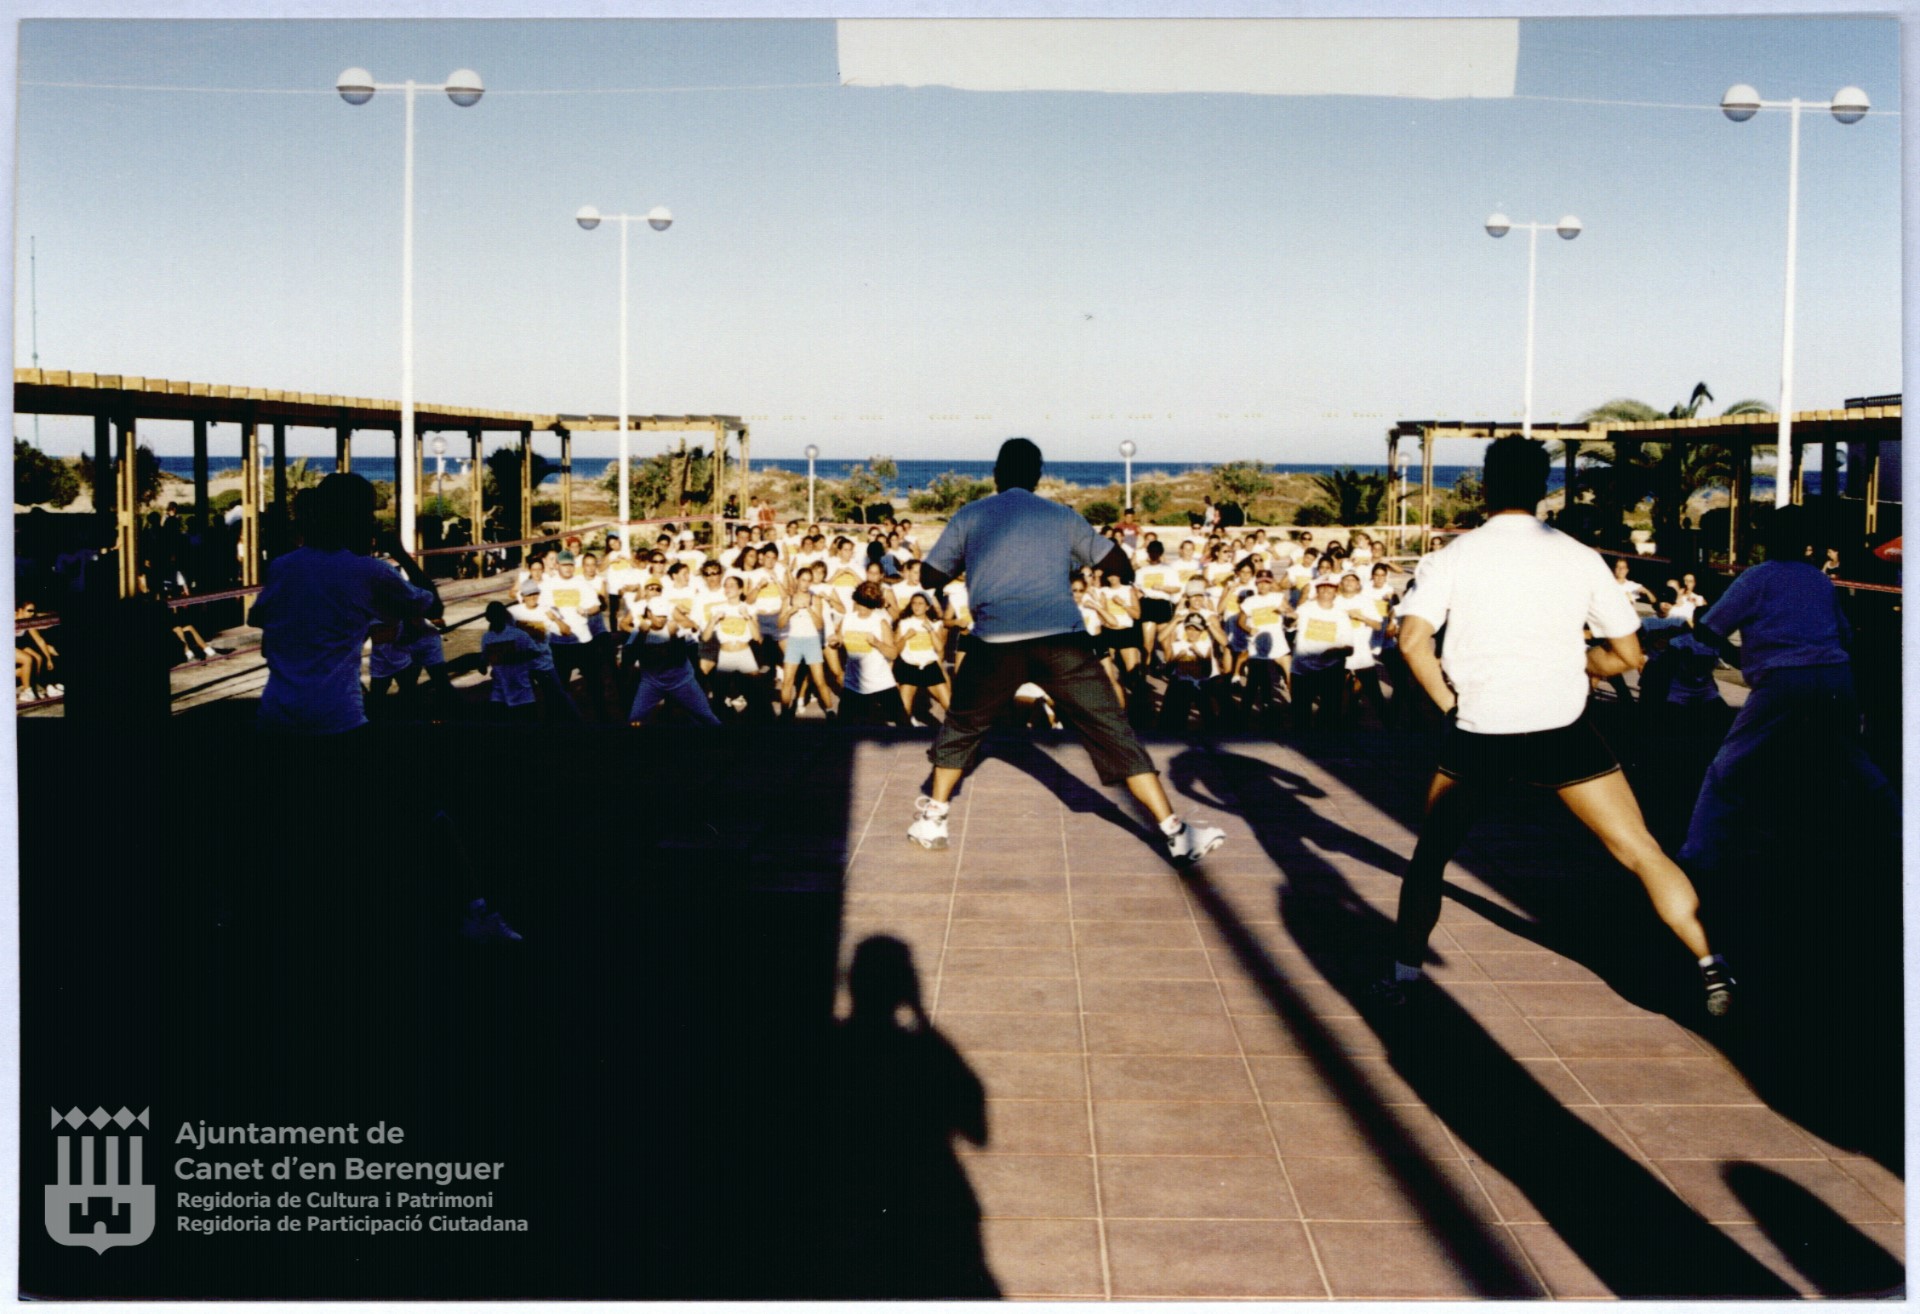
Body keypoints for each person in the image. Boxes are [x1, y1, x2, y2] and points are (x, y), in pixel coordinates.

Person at [1374, 437, 1735, 1016]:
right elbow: (1628, 653)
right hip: (1562, 727)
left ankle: (1404, 975)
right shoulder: (1579, 557)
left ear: (1487, 484)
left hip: (1480, 729)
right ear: (1542, 489)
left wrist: (1448, 705)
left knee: (1430, 860)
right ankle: (1711, 967)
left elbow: (1413, 643)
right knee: (1641, 850)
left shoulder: (1451, 557)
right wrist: (1588, 665)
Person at [905, 438, 1225, 864]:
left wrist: (974, 561)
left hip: (994, 642)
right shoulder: (1061, 516)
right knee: (1112, 730)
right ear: (1038, 476)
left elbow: (929, 575)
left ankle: (934, 819)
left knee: (963, 726)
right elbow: (1118, 566)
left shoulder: (971, 515)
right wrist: (1071, 560)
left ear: (996, 474)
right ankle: (1175, 832)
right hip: (1062, 641)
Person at [1678, 505, 1896, 884]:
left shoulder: (1756, 578)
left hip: (1782, 679)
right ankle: (1900, 831)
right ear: (1806, 544)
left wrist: (1742, 659)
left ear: (1768, 539)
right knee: (1854, 760)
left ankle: (1698, 853)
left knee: (1729, 765)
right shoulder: (1818, 580)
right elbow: (1843, 635)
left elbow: (1710, 629)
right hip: (1833, 674)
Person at [250, 473, 439, 735]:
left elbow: (257, 618)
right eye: (369, 513)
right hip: (336, 716)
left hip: (276, 713)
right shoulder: (369, 571)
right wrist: (400, 555)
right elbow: (432, 605)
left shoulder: (283, 566)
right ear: (357, 518)